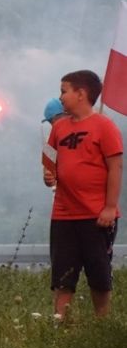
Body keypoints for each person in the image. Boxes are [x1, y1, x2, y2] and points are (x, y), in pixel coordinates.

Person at [43, 70, 121, 319]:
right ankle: (61, 322)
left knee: (98, 272)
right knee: (63, 273)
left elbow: (116, 167)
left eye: (64, 91)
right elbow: (49, 161)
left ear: (81, 94)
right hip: (64, 214)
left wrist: (109, 207)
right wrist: (48, 176)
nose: (61, 96)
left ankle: (102, 322)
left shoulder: (104, 126)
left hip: (96, 214)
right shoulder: (59, 128)